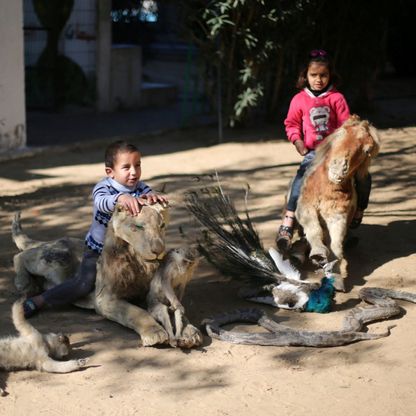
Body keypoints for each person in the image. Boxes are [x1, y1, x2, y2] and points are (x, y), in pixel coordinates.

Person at [23, 140, 167, 318]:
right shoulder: (103, 188)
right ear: (110, 172)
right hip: (99, 250)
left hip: (129, 253)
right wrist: (120, 198)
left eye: (137, 165)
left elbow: (148, 208)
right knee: (84, 283)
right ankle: (40, 300)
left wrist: (152, 197)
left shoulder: (141, 188)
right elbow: (102, 202)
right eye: (126, 167)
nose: (133, 172)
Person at [276, 49, 371, 250]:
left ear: (330, 75)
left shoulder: (337, 98)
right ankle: (289, 219)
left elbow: (346, 126)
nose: (318, 80)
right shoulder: (299, 100)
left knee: (364, 176)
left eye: (323, 75)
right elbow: (291, 124)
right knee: (299, 179)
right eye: (313, 75)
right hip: (314, 153)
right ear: (305, 76)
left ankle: (359, 209)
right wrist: (298, 141)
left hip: (335, 153)